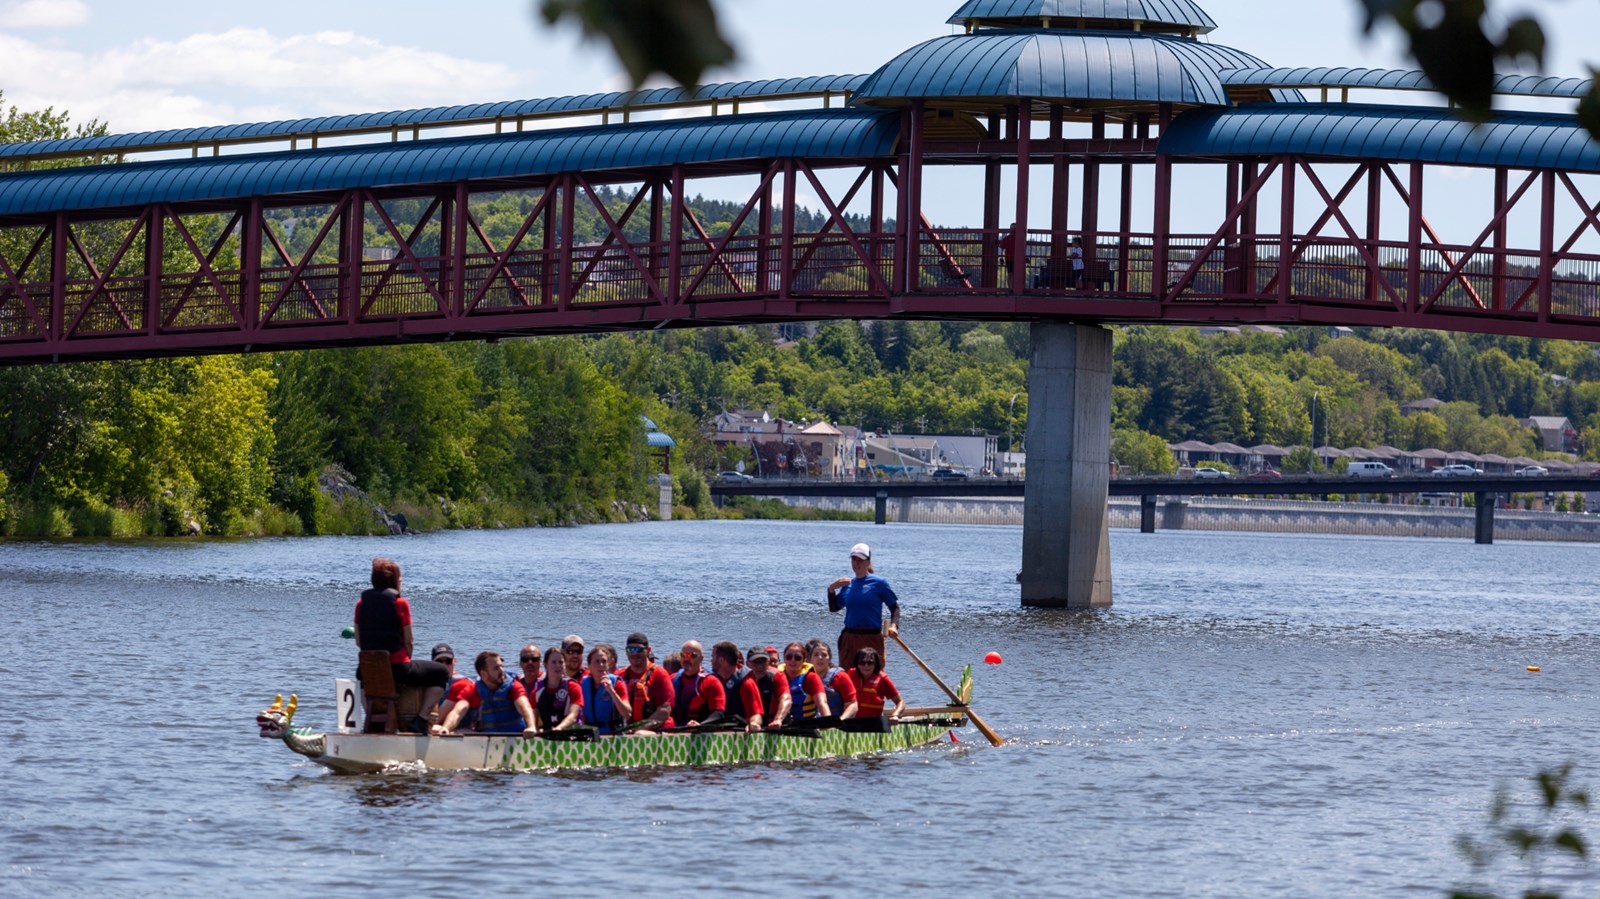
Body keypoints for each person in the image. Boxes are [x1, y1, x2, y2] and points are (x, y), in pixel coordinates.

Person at [352, 557, 448, 732]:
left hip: (367, 670)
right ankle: (421, 719)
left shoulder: (361, 603)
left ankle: (372, 721)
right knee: (441, 672)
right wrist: (406, 661)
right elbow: (409, 641)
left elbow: (359, 641)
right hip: (398, 668)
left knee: (361, 678)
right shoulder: (400, 603)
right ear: (394, 580)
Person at [827, 542, 901, 673]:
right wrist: (831, 589)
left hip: (872, 638)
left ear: (868, 562)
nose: (856, 563)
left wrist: (894, 626)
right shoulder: (847, 585)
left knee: (874, 678)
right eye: (854, 559)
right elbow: (834, 608)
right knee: (848, 678)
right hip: (850, 639)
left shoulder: (879, 583)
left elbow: (894, 608)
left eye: (860, 560)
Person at [432, 651, 539, 737]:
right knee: (455, 731)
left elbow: (525, 707)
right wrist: (446, 728)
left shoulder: (514, 686)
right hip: (486, 739)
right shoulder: (472, 691)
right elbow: (457, 713)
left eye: (501, 666)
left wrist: (531, 726)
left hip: (515, 737)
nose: (502, 670)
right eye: (496, 668)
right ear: (483, 674)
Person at [619, 632, 674, 731]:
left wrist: (639, 729)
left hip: (656, 730)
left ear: (648, 650)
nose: (634, 653)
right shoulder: (620, 675)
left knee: (640, 735)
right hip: (629, 730)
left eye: (639, 650)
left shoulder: (660, 674)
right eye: (630, 649)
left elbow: (664, 711)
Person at [710, 640, 765, 733]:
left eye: (713, 657)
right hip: (716, 730)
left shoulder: (746, 683)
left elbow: (756, 714)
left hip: (737, 733)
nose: (711, 660)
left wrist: (754, 723)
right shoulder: (713, 680)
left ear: (721, 660)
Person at [670, 640, 727, 728]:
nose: (686, 659)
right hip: (674, 729)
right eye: (683, 655)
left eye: (692, 655)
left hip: (700, 730)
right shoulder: (672, 679)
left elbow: (718, 713)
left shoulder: (712, 682)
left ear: (701, 658)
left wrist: (701, 725)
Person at [579, 644, 630, 735]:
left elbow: (627, 714)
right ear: (589, 665)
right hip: (589, 734)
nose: (601, 665)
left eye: (604, 661)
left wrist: (612, 691)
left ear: (608, 665)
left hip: (612, 734)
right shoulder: (582, 684)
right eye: (597, 661)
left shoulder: (617, 683)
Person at [844, 647, 904, 721]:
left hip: (874, 722)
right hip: (851, 721)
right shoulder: (849, 675)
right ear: (857, 664)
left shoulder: (883, 679)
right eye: (862, 663)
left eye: (870, 663)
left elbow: (900, 702)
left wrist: (895, 715)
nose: (866, 666)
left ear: (875, 664)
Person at [806, 638, 858, 720]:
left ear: (829, 658)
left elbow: (853, 704)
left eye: (824, 655)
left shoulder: (840, 676)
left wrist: (840, 720)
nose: (820, 658)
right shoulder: (804, 677)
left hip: (836, 723)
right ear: (810, 659)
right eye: (816, 655)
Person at [780, 641, 831, 723]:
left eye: (797, 658)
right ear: (784, 659)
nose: (793, 660)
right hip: (783, 724)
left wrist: (828, 724)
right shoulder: (777, 677)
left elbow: (822, 703)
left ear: (804, 660)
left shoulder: (811, 678)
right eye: (789, 657)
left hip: (808, 724)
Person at [535, 645, 583, 731]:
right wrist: (533, 728)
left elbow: (573, 716)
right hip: (548, 733)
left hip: (571, 733)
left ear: (565, 665)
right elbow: (533, 716)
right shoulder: (537, 689)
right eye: (554, 662)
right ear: (545, 665)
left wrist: (559, 728)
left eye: (561, 662)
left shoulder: (574, 687)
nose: (558, 665)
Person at [432, 642, 476, 732]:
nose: (444, 665)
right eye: (439, 662)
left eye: (448, 661)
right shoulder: (430, 683)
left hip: (461, 730)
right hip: (438, 726)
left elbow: (438, 718)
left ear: (454, 661)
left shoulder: (463, 683)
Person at [746, 646, 790, 730]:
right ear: (748, 664)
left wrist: (778, 720)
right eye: (755, 662)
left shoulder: (777, 676)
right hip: (755, 726)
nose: (760, 666)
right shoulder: (745, 679)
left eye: (763, 662)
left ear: (768, 662)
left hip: (777, 726)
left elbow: (786, 699)